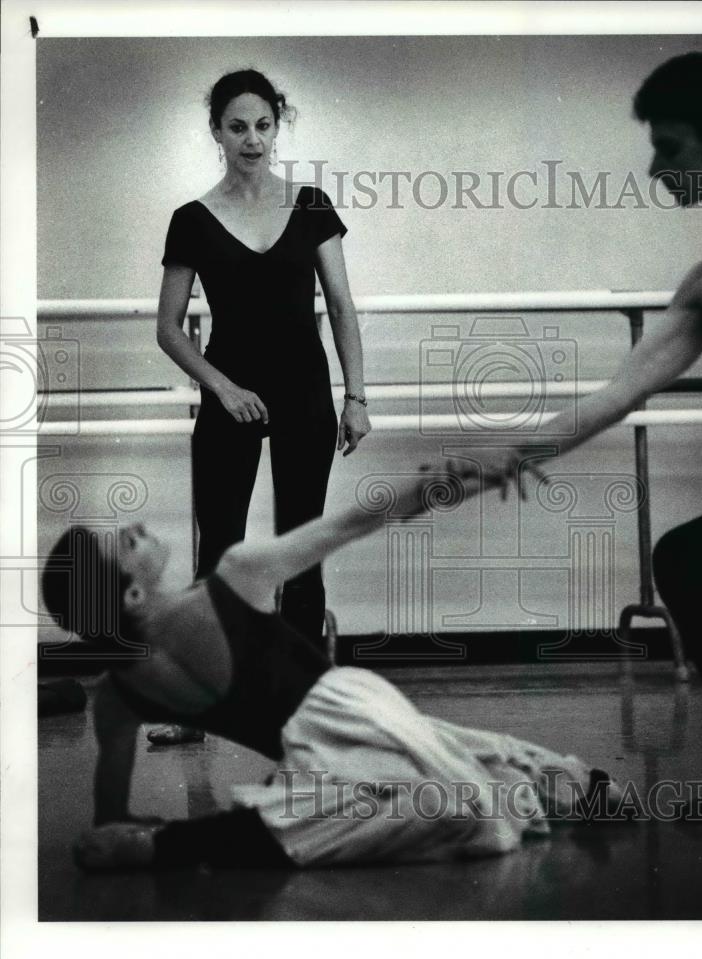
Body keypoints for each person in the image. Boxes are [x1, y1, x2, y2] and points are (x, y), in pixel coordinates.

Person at [42, 463, 620, 873]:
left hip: (317, 759)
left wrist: (123, 830)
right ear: (133, 596)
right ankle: (573, 788)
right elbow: (350, 522)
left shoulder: (120, 695)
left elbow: (109, 814)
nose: (134, 529)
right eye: (122, 543)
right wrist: (450, 476)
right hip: (344, 714)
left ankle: (182, 845)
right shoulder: (236, 575)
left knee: (455, 778)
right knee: (459, 789)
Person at [503, 52, 702, 816]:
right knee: (682, 560)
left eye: (670, 146)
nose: (655, 169)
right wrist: (513, 455)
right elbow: (617, 394)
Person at [154, 68, 370, 744]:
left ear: (279, 126)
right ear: (216, 132)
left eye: (263, 125)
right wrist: (221, 387)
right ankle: (201, 702)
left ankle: (307, 709)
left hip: (306, 391)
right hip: (232, 395)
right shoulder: (191, 219)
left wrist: (356, 397)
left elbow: (340, 306)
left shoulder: (310, 206)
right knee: (218, 552)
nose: (252, 139)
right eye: (237, 126)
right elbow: (167, 328)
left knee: (301, 548)